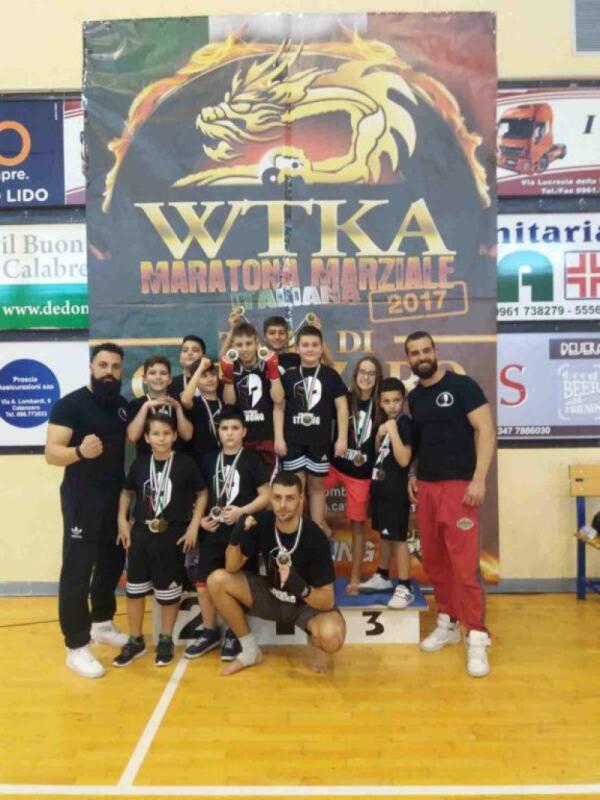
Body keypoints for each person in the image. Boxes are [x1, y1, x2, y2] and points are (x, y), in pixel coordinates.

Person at [405, 331, 496, 677]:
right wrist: (413, 474)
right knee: (434, 560)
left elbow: (486, 430)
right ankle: (449, 621)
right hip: (427, 488)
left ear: (435, 351)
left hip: (460, 488)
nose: (421, 357)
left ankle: (477, 636)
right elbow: (418, 443)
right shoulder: (415, 397)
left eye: (425, 350)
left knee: (464, 566)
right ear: (409, 359)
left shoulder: (463, 386)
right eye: (414, 353)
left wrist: (479, 479)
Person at [45, 343, 130, 678]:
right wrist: (79, 452)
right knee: (78, 569)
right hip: (82, 498)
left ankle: (102, 622)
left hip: (113, 498)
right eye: (103, 365)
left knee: (112, 561)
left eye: (115, 367)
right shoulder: (71, 405)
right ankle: (76, 646)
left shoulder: (121, 406)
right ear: (92, 367)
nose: (109, 372)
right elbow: (51, 453)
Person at [207, 471, 346, 676]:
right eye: (277, 497)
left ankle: (314, 642)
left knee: (331, 637)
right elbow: (231, 568)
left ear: (301, 499)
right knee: (216, 580)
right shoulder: (262, 522)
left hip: (304, 604)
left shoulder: (315, 537)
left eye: (289, 498)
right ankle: (250, 650)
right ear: (271, 498)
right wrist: (235, 538)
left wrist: (299, 586)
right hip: (272, 595)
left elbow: (327, 600)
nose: (282, 505)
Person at [114, 413, 208, 667]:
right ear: (146, 437)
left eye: (166, 433)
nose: (161, 438)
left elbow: (202, 493)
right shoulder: (140, 464)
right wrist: (122, 519)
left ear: (175, 435)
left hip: (172, 535)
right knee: (135, 591)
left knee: (168, 593)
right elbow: (127, 492)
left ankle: (165, 639)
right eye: (155, 433)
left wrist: (194, 525)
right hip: (141, 534)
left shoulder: (185, 464)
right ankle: (136, 639)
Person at [184, 406, 271, 661]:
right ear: (218, 432)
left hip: (242, 533)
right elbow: (198, 494)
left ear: (244, 431)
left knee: (236, 583)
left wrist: (241, 511)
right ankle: (209, 631)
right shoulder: (208, 460)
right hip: (213, 531)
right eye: (224, 428)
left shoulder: (253, 459)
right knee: (203, 585)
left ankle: (235, 632)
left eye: (235, 428)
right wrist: (200, 520)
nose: (230, 433)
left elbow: (266, 496)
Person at [274, 325, 348, 535]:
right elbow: (279, 408)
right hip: (293, 441)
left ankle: (315, 532)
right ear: (297, 348)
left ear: (322, 348)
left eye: (315, 345)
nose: (310, 349)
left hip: (319, 441)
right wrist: (279, 438)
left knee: (317, 487)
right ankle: (295, 533)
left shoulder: (330, 375)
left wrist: (342, 438)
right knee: (295, 488)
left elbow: (342, 407)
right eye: (305, 345)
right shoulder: (289, 376)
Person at [324, 356, 382, 594]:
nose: (365, 377)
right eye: (362, 371)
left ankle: (355, 577)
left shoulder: (381, 406)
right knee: (303, 497)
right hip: (335, 466)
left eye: (371, 373)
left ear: (377, 378)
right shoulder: (345, 400)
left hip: (361, 475)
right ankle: (322, 528)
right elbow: (330, 367)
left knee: (358, 525)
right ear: (355, 374)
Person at [359, 377, 415, 609]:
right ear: (380, 403)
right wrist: (380, 435)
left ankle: (405, 586)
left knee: (399, 538)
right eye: (387, 401)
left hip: (396, 491)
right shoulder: (383, 422)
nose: (392, 405)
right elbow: (378, 453)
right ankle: (382, 575)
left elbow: (404, 459)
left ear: (403, 401)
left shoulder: (404, 424)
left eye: (396, 400)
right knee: (386, 535)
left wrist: (392, 431)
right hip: (381, 488)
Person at [220, 322, 283, 469]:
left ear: (256, 344)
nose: (244, 349)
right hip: (241, 439)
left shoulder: (268, 364)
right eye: (239, 345)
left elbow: (278, 399)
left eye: (249, 343)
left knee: (269, 480)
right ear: (233, 346)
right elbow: (229, 403)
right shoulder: (232, 367)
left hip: (267, 437)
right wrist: (228, 377)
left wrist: (274, 371)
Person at [127, 355, 192, 457]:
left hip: (175, 462)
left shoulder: (178, 403)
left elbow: (187, 436)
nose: (158, 377)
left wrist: (178, 408)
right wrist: (145, 407)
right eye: (152, 373)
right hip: (146, 462)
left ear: (170, 379)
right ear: (144, 379)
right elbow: (132, 436)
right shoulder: (137, 404)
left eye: (163, 373)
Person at [179, 356, 223, 467]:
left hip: (224, 458)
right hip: (201, 461)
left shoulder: (223, 399)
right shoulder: (196, 402)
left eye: (212, 374)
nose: (210, 379)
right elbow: (185, 400)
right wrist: (200, 368)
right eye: (203, 376)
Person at [262, 314, 335, 372]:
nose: (277, 337)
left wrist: (317, 332)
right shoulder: (259, 362)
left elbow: (329, 365)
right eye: (272, 333)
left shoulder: (295, 359)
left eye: (281, 333)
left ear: (287, 336)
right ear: (264, 336)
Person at [169, 335, 207, 399]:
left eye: (195, 350)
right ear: (180, 358)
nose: (189, 353)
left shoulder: (212, 382)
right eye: (185, 350)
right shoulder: (171, 384)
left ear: (204, 357)